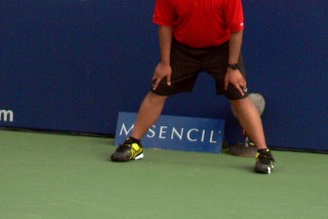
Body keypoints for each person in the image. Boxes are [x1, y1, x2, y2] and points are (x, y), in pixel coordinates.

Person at [111, 0, 275, 174]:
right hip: (183, 49)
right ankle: (133, 144)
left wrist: (232, 68)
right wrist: (165, 63)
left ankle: (264, 153)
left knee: (239, 97)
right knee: (158, 90)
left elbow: (236, 30)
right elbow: (164, 25)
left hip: (221, 49)